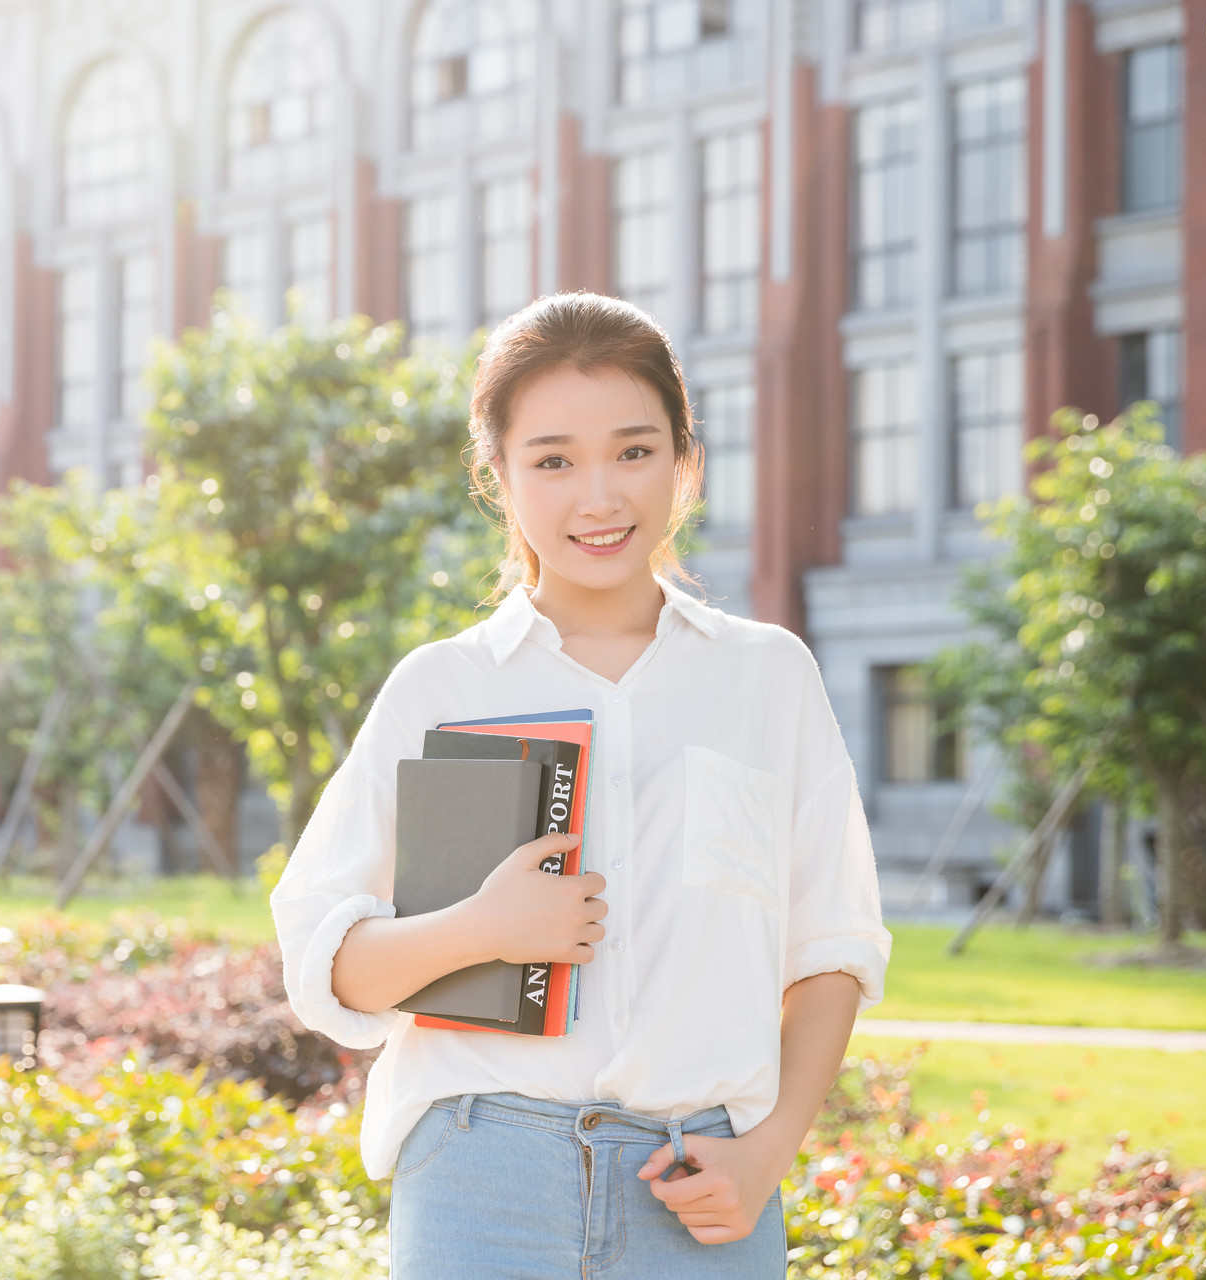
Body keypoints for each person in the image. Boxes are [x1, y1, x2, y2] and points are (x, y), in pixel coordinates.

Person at [269, 292, 892, 1278]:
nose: (597, 495)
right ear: (497, 477)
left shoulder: (767, 677)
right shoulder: (442, 686)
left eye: (633, 451)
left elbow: (832, 947)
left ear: (684, 460)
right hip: (479, 1182)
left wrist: (765, 1155)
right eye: (553, 459)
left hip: (700, 1183)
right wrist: (480, 927)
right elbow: (327, 962)